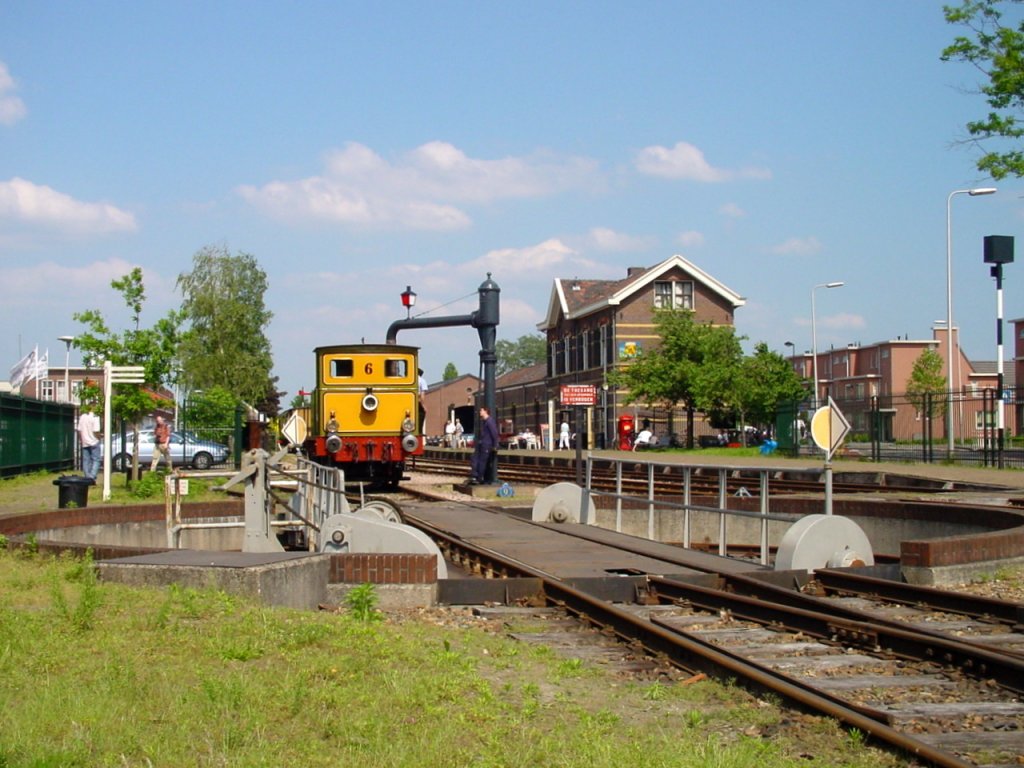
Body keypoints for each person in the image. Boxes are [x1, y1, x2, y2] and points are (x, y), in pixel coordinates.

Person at [469, 406, 499, 484]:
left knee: (482, 461)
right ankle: (475, 475)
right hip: (482, 444)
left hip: (486, 445)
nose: (480, 412)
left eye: (481, 410)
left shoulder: (489, 421)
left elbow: (494, 433)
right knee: (474, 458)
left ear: (486, 411)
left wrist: (495, 445)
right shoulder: (485, 421)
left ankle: (479, 477)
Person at [77, 406, 102, 482]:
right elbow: (96, 431)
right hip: (94, 441)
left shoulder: (82, 417)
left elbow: (79, 430)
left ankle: (87, 477)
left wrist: (81, 439)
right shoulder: (95, 417)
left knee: (86, 461)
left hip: (85, 441)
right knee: (96, 460)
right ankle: (91, 477)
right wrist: (99, 437)